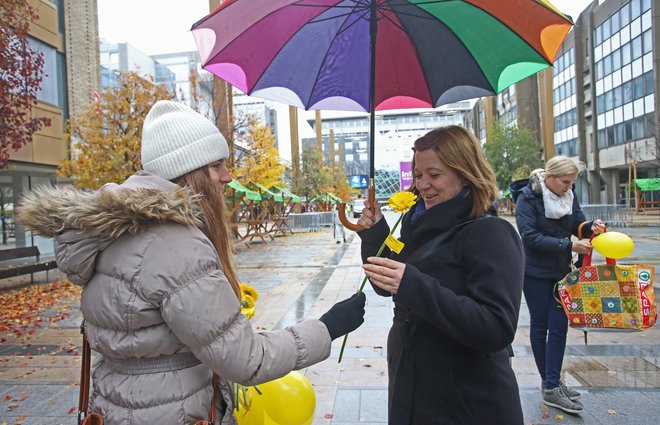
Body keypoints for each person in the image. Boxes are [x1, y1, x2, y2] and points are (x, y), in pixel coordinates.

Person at [16, 100, 366, 424]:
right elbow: (245, 359)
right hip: (173, 411)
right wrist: (327, 328)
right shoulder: (174, 244)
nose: (227, 177)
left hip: (118, 407)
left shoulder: (116, 232)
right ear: (189, 172)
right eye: (217, 166)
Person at [357, 126, 525, 425]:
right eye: (418, 175)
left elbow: (496, 327)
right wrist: (375, 232)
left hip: (465, 400)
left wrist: (412, 285)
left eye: (434, 175)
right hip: (413, 387)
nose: (423, 185)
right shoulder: (415, 223)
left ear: (465, 173)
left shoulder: (490, 233)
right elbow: (387, 286)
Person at [510, 156, 605, 415]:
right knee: (541, 326)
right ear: (549, 177)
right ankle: (551, 385)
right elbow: (529, 237)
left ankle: (552, 383)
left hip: (562, 271)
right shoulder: (527, 198)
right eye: (565, 181)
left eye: (572, 182)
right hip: (535, 272)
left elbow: (578, 224)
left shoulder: (568, 195)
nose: (569, 187)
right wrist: (569, 245)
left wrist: (591, 228)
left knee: (560, 326)